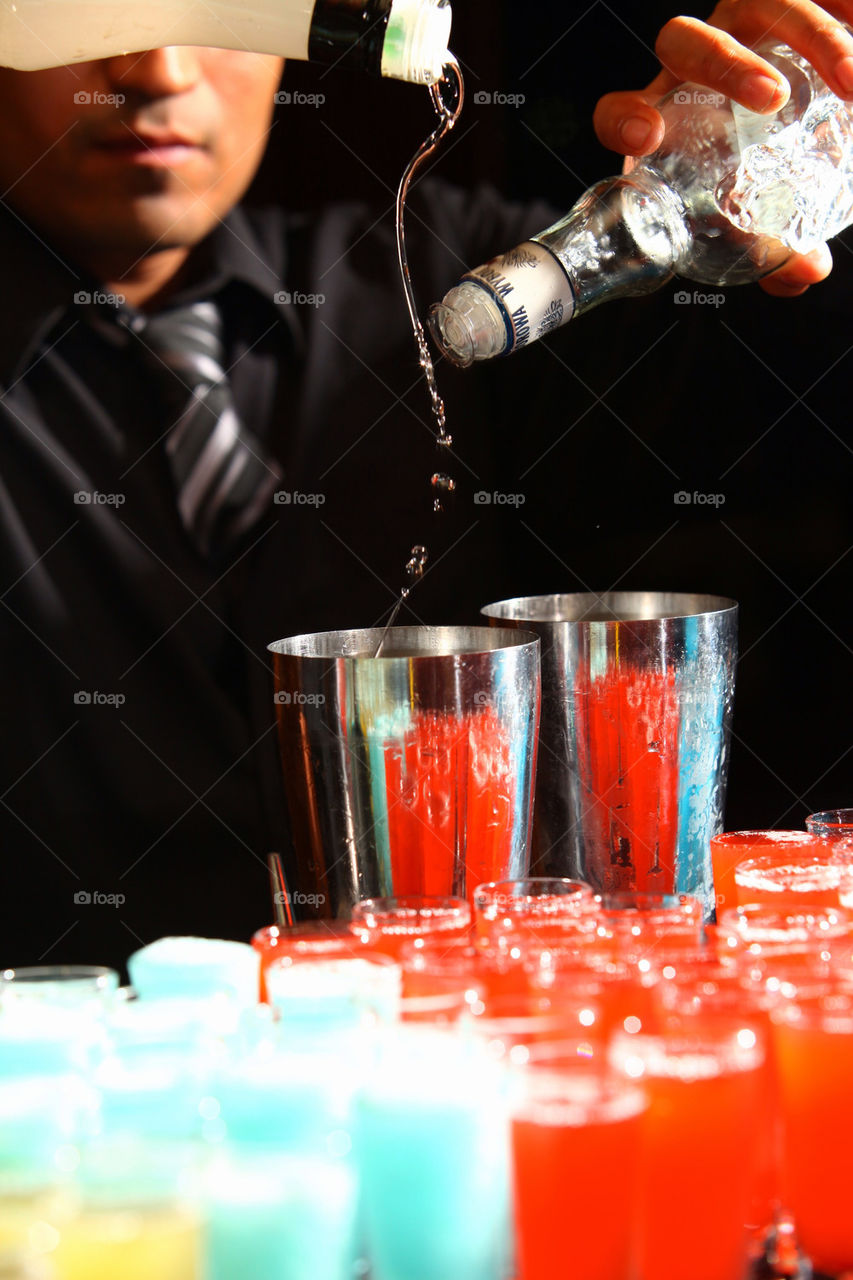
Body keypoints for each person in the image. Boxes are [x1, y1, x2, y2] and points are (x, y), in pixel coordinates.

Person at [0, 2, 848, 968]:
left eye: (210, 9)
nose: (154, 68)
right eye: (95, 10)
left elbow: (792, 400)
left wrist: (764, 169)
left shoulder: (438, 274)